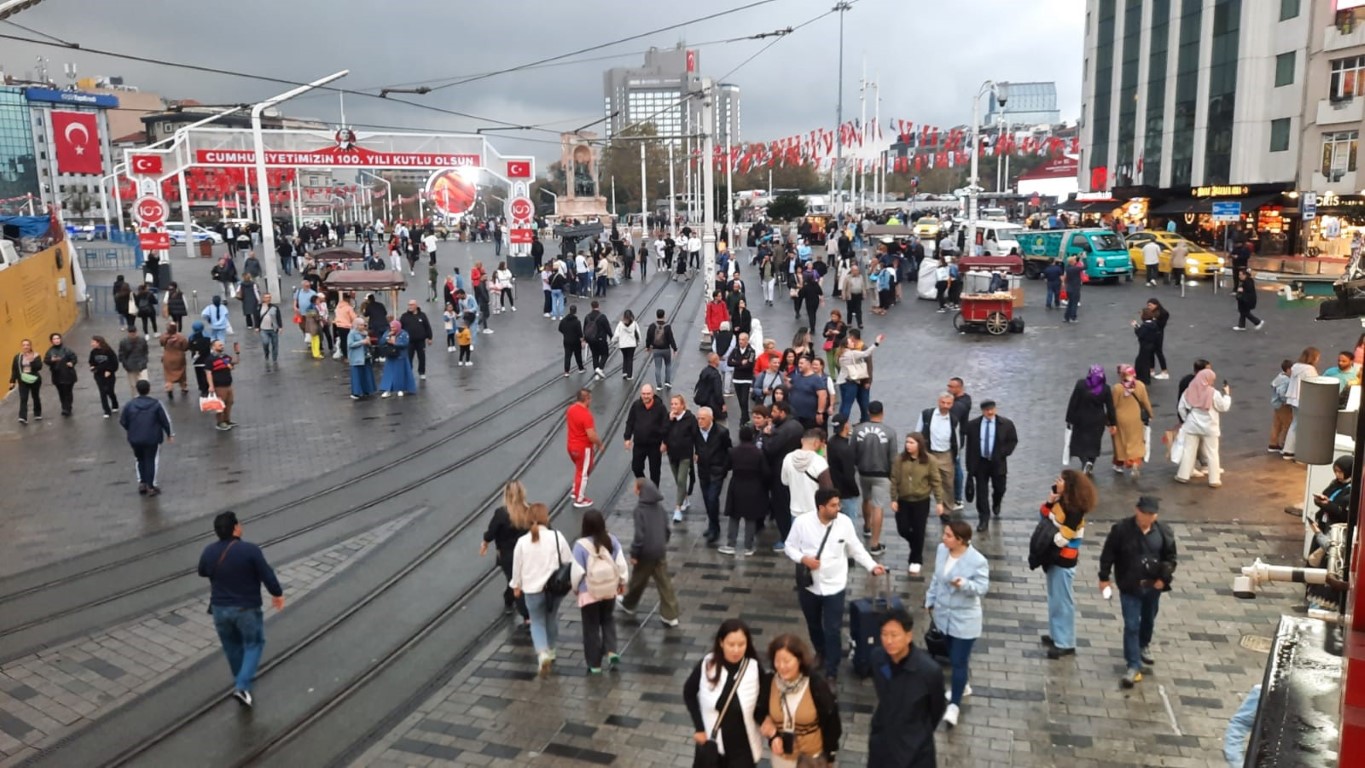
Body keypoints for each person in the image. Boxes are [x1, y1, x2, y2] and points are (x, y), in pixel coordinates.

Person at [786, 488, 886, 681]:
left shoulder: (844, 523)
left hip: (835, 585)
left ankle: (832, 668)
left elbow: (856, 549)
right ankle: (821, 653)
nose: (838, 508)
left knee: (833, 628)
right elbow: (790, 546)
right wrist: (803, 559)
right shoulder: (802, 523)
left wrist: (872, 566)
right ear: (820, 507)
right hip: (810, 585)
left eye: (838, 504)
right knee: (814, 624)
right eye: (833, 505)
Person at [198, 511, 284, 709]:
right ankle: (242, 686)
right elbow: (267, 575)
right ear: (236, 528)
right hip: (246, 608)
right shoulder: (250, 550)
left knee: (232, 646)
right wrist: (277, 594)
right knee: (254, 643)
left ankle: (241, 682)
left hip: (220, 609)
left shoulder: (209, 551)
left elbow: (202, 571)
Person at [1097, 495, 1178, 689]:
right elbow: (1108, 554)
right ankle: (1133, 664)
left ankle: (1143, 645)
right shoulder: (1121, 530)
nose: (1147, 518)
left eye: (1151, 514)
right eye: (1144, 513)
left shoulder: (1164, 532)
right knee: (1131, 624)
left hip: (1152, 587)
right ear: (1137, 511)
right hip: (1130, 586)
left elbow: (1170, 558)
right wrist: (1104, 577)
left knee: (1148, 619)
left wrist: (1163, 578)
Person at [924, 520, 990, 727]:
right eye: (945, 534)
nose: (944, 538)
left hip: (965, 619)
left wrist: (965, 584)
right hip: (944, 616)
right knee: (953, 655)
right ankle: (964, 685)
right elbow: (936, 578)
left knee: (958, 661)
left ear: (960, 540)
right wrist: (930, 599)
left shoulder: (977, 560)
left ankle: (954, 705)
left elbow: (982, 587)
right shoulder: (942, 551)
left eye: (949, 536)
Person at [1029, 468, 1098, 660]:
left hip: (1063, 558)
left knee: (1062, 600)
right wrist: (1050, 500)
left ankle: (1065, 642)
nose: (1057, 482)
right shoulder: (1061, 502)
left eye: (1061, 480)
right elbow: (1044, 514)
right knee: (1055, 598)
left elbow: (1065, 535)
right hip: (1054, 558)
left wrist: (1049, 541)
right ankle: (1056, 635)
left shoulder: (1075, 509)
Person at [683, 619, 767, 768]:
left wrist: (767, 723)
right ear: (721, 643)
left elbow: (763, 703)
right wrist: (699, 728)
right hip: (714, 747)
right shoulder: (707, 664)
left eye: (741, 644)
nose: (736, 650)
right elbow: (689, 692)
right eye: (731, 644)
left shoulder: (754, 668)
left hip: (743, 749)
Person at [867, 609, 946, 767]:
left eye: (894, 635)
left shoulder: (929, 671)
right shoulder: (877, 658)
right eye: (884, 634)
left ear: (908, 636)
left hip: (916, 751)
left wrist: (917, 732)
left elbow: (936, 709)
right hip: (883, 743)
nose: (888, 641)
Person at [509, 503, 574, 677]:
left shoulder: (522, 542)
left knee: (536, 621)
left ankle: (542, 653)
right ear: (547, 518)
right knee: (551, 619)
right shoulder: (557, 536)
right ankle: (551, 651)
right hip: (554, 590)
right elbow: (568, 561)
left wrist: (516, 586)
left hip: (532, 590)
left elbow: (517, 567)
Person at [758, 634, 841, 767]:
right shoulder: (769, 682)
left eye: (787, 661)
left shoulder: (815, 684)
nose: (781, 666)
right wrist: (773, 735)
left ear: (799, 660)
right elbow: (759, 711)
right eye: (777, 660)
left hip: (812, 759)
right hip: (783, 757)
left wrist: (830, 757)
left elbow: (832, 723)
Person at [570, 509, 629, 674]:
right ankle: (611, 651)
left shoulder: (580, 546)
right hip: (609, 590)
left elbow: (576, 572)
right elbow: (621, 564)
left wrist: (576, 589)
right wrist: (622, 582)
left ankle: (594, 664)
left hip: (589, 593)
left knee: (591, 627)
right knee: (608, 620)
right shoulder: (612, 540)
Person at [618, 479, 681, 628]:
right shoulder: (660, 508)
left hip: (646, 552)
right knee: (664, 582)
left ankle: (629, 603)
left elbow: (639, 536)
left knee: (638, 580)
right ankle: (670, 615)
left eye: (635, 488)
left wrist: (634, 554)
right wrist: (662, 543)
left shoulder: (639, 510)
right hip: (659, 550)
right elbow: (666, 530)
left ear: (640, 491)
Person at [890, 433, 946, 575]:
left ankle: (916, 559)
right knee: (903, 529)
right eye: (907, 442)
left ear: (919, 445)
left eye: (912, 443)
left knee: (919, 529)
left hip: (921, 501)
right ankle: (915, 545)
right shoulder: (899, 460)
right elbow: (894, 479)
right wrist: (894, 499)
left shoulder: (930, 460)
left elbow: (936, 481)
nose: (908, 445)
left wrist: (939, 502)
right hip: (903, 500)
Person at [480, 480, 531, 622]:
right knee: (520, 582)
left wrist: (485, 543)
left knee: (514, 581)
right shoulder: (530, 510)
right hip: (527, 553)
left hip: (507, 555)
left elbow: (491, 532)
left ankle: (512, 603)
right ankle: (526, 614)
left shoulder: (501, 513)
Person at [965, 400, 1018, 532]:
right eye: (987, 410)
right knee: (981, 492)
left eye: (992, 409)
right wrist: (970, 467)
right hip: (980, 463)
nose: (990, 412)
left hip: (998, 462)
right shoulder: (973, 425)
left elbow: (1013, 440)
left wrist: (1003, 453)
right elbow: (969, 447)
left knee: (1000, 487)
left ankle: (997, 501)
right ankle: (983, 518)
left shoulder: (1006, 424)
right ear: (982, 411)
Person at [853, 401, 897, 556]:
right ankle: (875, 544)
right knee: (878, 506)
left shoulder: (857, 430)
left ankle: (867, 526)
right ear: (882, 412)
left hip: (863, 472)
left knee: (866, 499)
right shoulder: (890, 432)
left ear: (868, 412)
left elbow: (853, 452)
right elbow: (893, 458)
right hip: (881, 474)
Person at [1175, 369, 1232, 487]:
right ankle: (1214, 479)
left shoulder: (1188, 390)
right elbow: (1223, 407)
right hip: (1210, 426)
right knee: (1212, 452)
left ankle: (1183, 475)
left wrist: (1187, 419)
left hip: (1192, 425)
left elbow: (1181, 407)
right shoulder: (1213, 393)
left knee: (1189, 450)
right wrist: (1227, 395)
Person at [119, 378, 174, 495]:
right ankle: (150, 485)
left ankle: (142, 482)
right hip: (152, 437)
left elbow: (123, 421)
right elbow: (164, 421)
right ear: (149, 389)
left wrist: (131, 429)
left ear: (137, 390)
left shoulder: (130, 405)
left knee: (140, 459)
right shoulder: (156, 404)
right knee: (150, 460)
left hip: (135, 438)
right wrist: (169, 434)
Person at [722, 425, 770, 556]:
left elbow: (726, 467)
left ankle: (730, 544)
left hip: (736, 485)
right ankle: (748, 546)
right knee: (751, 517)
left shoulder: (733, 452)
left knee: (734, 516)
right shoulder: (758, 453)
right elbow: (765, 472)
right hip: (754, 486)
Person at [914, 392, 962, 513]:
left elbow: (957, 438)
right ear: (938, 401)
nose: (945, 405)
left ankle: (946, 511)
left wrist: (956, 455)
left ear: (952, 404)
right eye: (943, 402)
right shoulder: (927, 415)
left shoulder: (954, 419)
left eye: (948, 403)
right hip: (929, 453)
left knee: (948, 484)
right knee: (923, 482)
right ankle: (921, 510)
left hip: (946, 454)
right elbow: (918, 433)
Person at [1066, 365, 1117, 475]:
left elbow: (1073, 402)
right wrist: (1112, 423)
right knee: (1094, 443)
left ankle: (1085, 461)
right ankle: (1090, 462)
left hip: (1081, 419)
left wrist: (1069, 419)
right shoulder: (1105, 388)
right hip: (1098, 421)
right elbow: (1110, 407)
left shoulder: (1080, 384)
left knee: (1079, 443)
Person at [695, 406, 733, 544]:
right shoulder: (696, 431)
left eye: (703, 419)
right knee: (707, 499)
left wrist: (724, 468)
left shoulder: (722, 432)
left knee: (712, 498)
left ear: (711, 419)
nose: (700, 421)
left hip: (717, 471)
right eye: (698, 418)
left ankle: (715, 529)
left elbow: (729, 450)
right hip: (703, 471)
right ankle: (712, 524)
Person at [1108, 365, 1154, 478]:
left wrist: (1109, 420)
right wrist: (1150, 414)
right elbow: (1145, 402)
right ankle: (1134, 462)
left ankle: (1119, 464)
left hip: (1121, 419)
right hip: (1136, 418)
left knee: (1120, 442)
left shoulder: (1117, 388)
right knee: (1136, 441)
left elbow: (1112, 405)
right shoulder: (1140, 385)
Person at [664, 394, 700, 522]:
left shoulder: (690, 419)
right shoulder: (669, 418)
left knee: (681, 480)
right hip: (672, 454)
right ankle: (684, 498)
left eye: (676, 404)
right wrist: (668, 421)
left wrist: (697, 451)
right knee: (678, 480)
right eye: (672, 404)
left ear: (682, 405)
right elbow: (663, 433)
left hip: (685, 454)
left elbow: (696, 436)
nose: (673, 406)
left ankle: (677, 509)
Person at [624, 384, 668, 487]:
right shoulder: (636, 405)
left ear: (653, 394)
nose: (646, 396)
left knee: (655, 471)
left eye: (648, 394)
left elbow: (666, 425)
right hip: (639, 444)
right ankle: (645, 486)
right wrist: (627, 438)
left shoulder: (660, 407)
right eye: (643, 394)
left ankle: (654, 492)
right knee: (636, 468)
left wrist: (665, 442)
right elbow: (630, 422)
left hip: (655, 445)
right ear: (641, 394)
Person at [1282, 347, 1321, 461]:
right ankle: (1300, 451)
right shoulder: (1309, 369)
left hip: (1294, 398)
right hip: (1304, 399)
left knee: (1294, 424)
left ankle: (1288, 451)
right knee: (1303, 426)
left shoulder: (1296, 367)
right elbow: (1314, 384)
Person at [835, 329, 882, 422]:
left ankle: (839, 421)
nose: (852, 343)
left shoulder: (840, 353)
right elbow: (867, 353)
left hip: (842, 381)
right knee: (848, 405)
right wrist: (876, 342)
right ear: (847, 345)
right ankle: (843, 423)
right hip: (850, 381)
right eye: (850, 342)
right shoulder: (852, 353)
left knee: (844, 404)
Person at [567, 388, 602, 508]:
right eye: (590, 398)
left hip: (571, 446)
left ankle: (575, 490)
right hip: (583, 447)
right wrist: (599, 444)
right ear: (587, 399)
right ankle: (580, 499)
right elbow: (591, 435)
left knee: (580, 468)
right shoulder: (586, 415)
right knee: (583, 473)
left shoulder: (570, 409)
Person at [42, 333, 78, 417]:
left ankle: (68, 408)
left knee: (68, 392)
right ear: (51, 341)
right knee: (61, 392)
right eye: (54, 339)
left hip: (68, 374)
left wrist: (71, 363)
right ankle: (64, 407)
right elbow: (46, 360)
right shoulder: (50, 351)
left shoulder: (67, 350)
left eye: (58, 338)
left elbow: (74, 358)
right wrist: (52, 360)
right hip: (57, 375)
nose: (56, 340)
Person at [378, 320, 416, 398]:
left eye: (394, 327)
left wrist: (395, 343)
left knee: (400, 373)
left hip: (400, 356)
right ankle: (387, 389)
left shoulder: (404, 333)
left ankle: (400, 389)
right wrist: (387, 336)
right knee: (389, 373)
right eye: (391, 327)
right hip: (390, 356)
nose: (392, 329)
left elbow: (405, 343)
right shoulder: (388, 332)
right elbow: (381, 342)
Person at [399, 300, 434, 382]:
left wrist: (430, 337)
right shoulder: (404, 316)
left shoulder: (422, 315)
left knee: (422, 357)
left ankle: (422, 372)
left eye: (412, 305)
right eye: (409, 305)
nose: (410, 306)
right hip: (409, 342)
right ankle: (409, 372)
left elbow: (427, 326)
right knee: (409, 357)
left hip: (420, 341)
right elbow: (401, 328)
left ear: (416, 306)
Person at [9, 339, 43, 423]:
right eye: (24, 345)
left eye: (27, 345)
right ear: (21, 346)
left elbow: (39, 367)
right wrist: (12, 381)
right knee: (23, 398)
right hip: (23, 380)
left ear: (30, 346)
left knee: (35, 397)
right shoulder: (17, 357)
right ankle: (23, 417)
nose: (26, 347)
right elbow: (14, 369)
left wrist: (31, 361)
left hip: (34, 379)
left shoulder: (36, 355)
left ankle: (37, 413)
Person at [205, 340, 236, 431]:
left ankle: (227, 420)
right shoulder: (210, 359)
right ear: (213, 347)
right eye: (219, 345)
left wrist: (237, 353)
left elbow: (234, 363)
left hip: (228, 385)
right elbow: (208, 373)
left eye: (222, 345)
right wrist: (211, 386)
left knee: (229, 402)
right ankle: (220, 422)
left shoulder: (225, 357)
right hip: (219, 386)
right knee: (220, 405)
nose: (222, 346)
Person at [728, 332, 758, 426]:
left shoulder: (751, 351)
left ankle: (743, 419)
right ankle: (746, 417)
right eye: (739, 339)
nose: (740, 341)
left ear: (747, 340)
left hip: (746, 379)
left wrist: (736, 363)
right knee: (740, 400)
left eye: (742, 340)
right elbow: (729, 362)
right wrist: (741, 363)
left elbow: (749, 365)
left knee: (744, 399)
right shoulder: (735, 350)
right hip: (737, 379)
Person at [88, 336, 120, 418]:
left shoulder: (108, 351)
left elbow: (114, 362)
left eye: (93, 342)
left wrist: (109, 370)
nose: (91, 344)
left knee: (110, 390)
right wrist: (92, 366)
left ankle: (115, 404)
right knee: (102, 392)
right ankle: (106, 410)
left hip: (109, 375)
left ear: (98, 342)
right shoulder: (93, 352)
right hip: (98, 375)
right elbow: (91, 361)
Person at [157, 323, 190, 401]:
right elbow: (185, 347)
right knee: (182, 373)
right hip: (179, 357)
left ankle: (169, 388)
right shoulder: (181, 337)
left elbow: (161, 343)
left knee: (168, 375)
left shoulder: (164, 337)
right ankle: (183, 387)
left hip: (168, 357)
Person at [647, 309, 678, 389]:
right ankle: (667, 382)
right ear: (664, 316)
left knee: (657, 367)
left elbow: (648, 337)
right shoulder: (667, 326)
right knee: (668, 365)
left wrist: (648, 346)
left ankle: (659, 385)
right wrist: (674, 348)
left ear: (656, 315)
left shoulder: (652, 326)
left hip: (656, 350)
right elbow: (671, 338)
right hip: (666, 350)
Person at [1268, 359, 1294, 453]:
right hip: (1283, 405)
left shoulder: (1280, 376)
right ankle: (1285, 444)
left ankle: (1273, 444)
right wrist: (1287, 401)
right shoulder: (1286, 380)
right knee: (1288, 425)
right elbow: (1282, 393)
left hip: (1276, 405)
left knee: (1277, 425)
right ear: (1288, 370)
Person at [583, 300, 612, 379]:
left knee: (595, 356)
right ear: (598, 306)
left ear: (591, 306)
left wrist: (585, 339)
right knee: (605, 354)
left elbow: (585, 328)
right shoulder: (602, 316)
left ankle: (596, 371)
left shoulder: (587, 317)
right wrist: (611, 336)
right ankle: (600, 368)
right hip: (601, 339)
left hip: (591, 340)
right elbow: (607, 328)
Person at [117, 327, 150, 396]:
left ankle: (144, 396)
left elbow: (145, 351)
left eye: (134, 333)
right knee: (133, 385)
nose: (132, 335)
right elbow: (121, 355)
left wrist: (145, 360)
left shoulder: (142, 340)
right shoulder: (123, 342)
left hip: (142, 365)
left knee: (144, 383)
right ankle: (136, 397)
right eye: (131, 333)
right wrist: (126, 365)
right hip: (130, 366)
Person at [346, 320, 375, 399]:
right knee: (357, 376)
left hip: (365, 357)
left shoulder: (365, 334)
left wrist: (369, 343)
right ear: (356, 325)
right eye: (360, 325)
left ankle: (366, 390)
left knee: (365, 375)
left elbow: (368, 344)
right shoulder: (352, 333)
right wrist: (362, 342)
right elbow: (350, 344)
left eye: (363, 325)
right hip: (356, 358)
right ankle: (356, 393)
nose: (362, 327)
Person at [694, 353, 727, 421]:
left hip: (703, 401)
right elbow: (718, 392)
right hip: (712, 402)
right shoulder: (716, 375)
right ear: (715, 361)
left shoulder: (704, 370)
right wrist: (722, 404)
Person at [613, 309, 643, 381]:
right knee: (630, 358)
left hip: (623, 345)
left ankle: (624, 372)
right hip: (631, 344)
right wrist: (639, 341)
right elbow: (638, 334)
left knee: (625, 357)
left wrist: (614, 341)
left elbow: (617, 334)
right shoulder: (634, 324)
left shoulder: (620, 324)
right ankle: (629, 375)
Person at [1232, 267, 1264, 331]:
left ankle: (1257, 322)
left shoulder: (1247, 282)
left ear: (1245, 275)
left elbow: (1248, 291)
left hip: (1246, 300)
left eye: (1240, 274)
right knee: (1243, 312)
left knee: (1245, 312)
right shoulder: (1246, 281)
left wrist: (1241, 291)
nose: (1239, 276)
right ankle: (1241, 325)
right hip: (1244, 299)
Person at [559, 304, 586, 376]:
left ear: (569, 310)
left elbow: (560, 328)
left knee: (567, 356)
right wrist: (582, 341)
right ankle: (580, 368)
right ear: (575, 311)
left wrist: (565, 333)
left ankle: (566, 371)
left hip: (566, 340)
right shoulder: (577, 322)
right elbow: (580, 333)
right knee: (578, 355)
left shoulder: (564, 320)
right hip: (576, 341)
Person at [1063, 254, 1084, 323]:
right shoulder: (1075, 269)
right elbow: (1085, 266)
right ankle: (1073, 317)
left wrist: (1077, 257)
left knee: (1070, 303)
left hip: (1069, 288)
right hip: (1075, 288)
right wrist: (1084, 258)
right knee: (1074, 304)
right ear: (1073, 262)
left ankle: (1066, 317)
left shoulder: (1067, 268)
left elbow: (1070, 263)